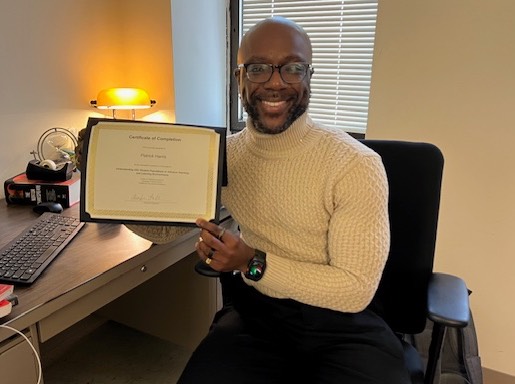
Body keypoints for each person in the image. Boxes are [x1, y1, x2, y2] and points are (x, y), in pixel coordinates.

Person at [78, 16, 410, 384]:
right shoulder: (220, 155)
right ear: (240, 79)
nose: (275, 82)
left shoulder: (355, 165)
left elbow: (353, 290)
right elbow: (163, 231)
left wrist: (252, 262)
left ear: (309, 76)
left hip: (344, 326)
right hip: (258, 317)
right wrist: (108, 182)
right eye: (258, 68)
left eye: (293, 68)